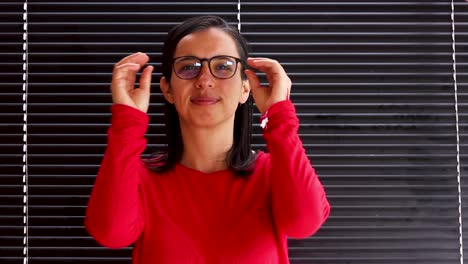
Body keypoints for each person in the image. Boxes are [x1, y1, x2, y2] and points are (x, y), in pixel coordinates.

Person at [85, 15, 330, 264]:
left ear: (246, 89)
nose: (204, 81)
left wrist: (279, 117)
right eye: (188, 67)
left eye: (223, 66)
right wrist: (128, 122)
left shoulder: (274, 174)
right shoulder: (140, 178)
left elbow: (304, 224)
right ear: (168, 89)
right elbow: (111, 234)